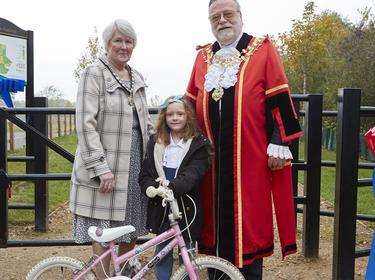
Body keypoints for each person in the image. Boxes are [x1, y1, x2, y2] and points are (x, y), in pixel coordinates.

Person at [184, 0, 303, 279]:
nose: (222, 20)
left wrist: (279, 141)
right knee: (213, 234)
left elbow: (280, 98)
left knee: (248, 231)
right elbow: (189, 104)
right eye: (215, 16)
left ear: (240, 16)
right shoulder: (202, 58)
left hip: (249, 162)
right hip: (211, 166)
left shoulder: (262, 49)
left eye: (228, 14)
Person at [69, 19, 153, 279]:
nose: (124, 46)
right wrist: (100, 167)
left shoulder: (136, 76)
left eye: (129, 42)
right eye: (118, 40)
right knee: (103, 233)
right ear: (108, 44)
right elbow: (85, 124)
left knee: (130, 228)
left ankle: (123, 277)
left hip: (135, 166)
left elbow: (146, 122)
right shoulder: (93, 73)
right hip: (106, 169)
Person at [139, 95, 211, 280]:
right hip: (162, 204)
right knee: (162, 249)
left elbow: (193, 174)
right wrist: (151, 187)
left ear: (188, 116)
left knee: (186, 250)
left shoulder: (197, 144)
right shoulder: (157, 142)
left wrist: (172, 186)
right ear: (164, 117)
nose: (175, 118)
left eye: (180, 113)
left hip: (186, 204)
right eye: (170, 114)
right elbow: (145, 174)